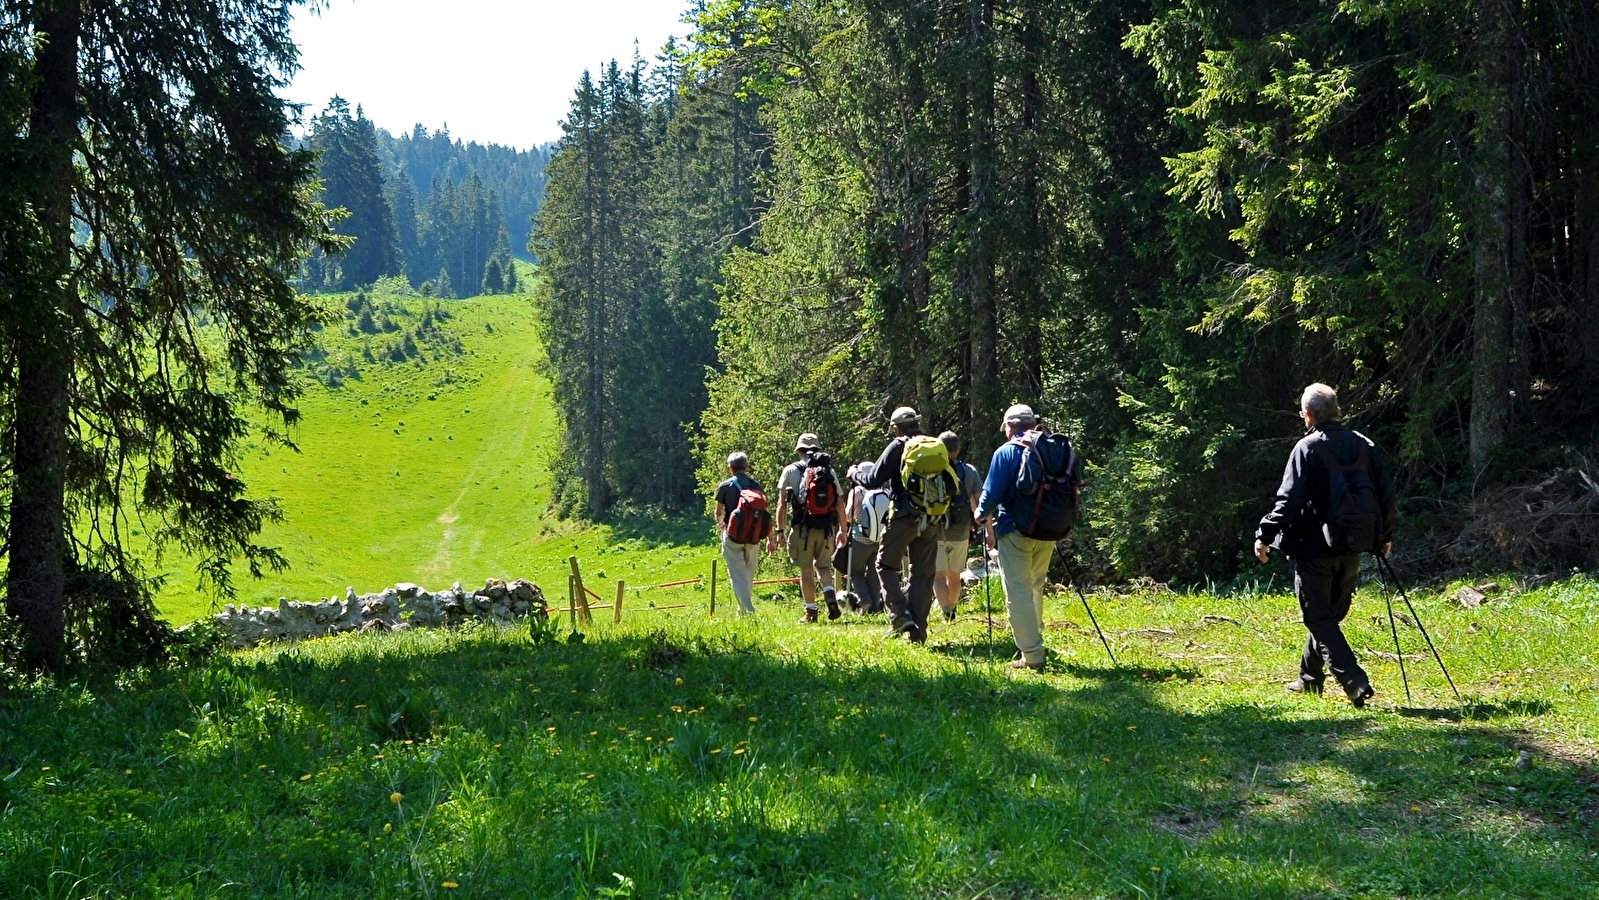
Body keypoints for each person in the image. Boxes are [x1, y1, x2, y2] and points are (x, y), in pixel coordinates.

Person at [1254, 383, 1398, 708]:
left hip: (1314, 550)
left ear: (1308, 415)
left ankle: (1354, 681)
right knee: (1327, 615)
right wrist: (1385, 535)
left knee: (1320, 618)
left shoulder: (1306, 449)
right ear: (1336, 411)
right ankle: (1309, 679)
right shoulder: (1364, 445)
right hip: (1354, 546)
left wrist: (1264, 535)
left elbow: (1288, 500)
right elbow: (1386, 494)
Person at [976, 404, 1081, 670]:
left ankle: (1032, 655)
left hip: (1015, 529)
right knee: (1035, 585)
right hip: (1048, 530)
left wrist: (979, 516)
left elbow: (991, 494)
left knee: (1018, 591)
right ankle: (1035, 637)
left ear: (1009, 427)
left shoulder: (1006, 452)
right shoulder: (1052, 449)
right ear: (1033, 424)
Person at [852, 406, 953, 643]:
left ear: (896, 427)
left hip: (903, 516)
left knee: (885, 565)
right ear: (917, 423)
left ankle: (899, 615)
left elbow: (872, 479)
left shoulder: (899, 445)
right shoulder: (933, 445)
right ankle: (918, 631)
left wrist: (854, 473)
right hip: (931, 517)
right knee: (923, 573)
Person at [771, 433, 848, 622]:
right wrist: (843, 530)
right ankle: (829, 594)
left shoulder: (790, 470)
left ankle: (811, 612)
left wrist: (780, 531)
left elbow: (782, 503)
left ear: (798, 451)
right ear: (818, 449)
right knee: (822, 567)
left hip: (802, 529)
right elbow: (839, 502)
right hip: (826, 528)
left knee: (806, 570)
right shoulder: (828, 471)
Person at [934, 431, 982, 623]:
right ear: (958, 449)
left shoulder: (933, 470)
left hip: (937, 530)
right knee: (954, 575)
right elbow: (977, 502)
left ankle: (946, 610)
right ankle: (952, 608)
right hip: (961, 530)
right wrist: (982, 523)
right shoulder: (969, 471)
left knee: (937, 575)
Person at [713, 451, 767, 615]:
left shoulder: (725, 486)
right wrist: (770, 538)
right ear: (747, 467)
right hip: (754, 536)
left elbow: (718, 512)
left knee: (737, 575)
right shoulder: (756, 486)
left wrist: (721, 525)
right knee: (748, 574)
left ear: (730, 468)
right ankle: (742, 610)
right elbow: (765, 513)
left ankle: (748, 610)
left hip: (733, 536)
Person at [843, 462, 889, 614]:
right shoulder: (884, 490)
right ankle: (875, 606)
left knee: (855, 572)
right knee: (873, 573)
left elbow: (848, 513)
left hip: (860, 538)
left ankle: (865, 602)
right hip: (880, 539)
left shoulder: (857, 490)